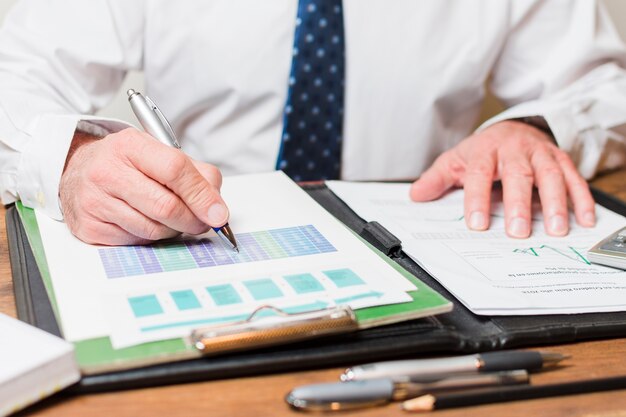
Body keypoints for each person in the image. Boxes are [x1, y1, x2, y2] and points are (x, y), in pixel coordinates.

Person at [0, 0, 625, 246]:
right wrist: (74, 158)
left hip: (432, 254)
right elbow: (13, 72)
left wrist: (537, 127)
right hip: (200, 237)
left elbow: (604, 87)